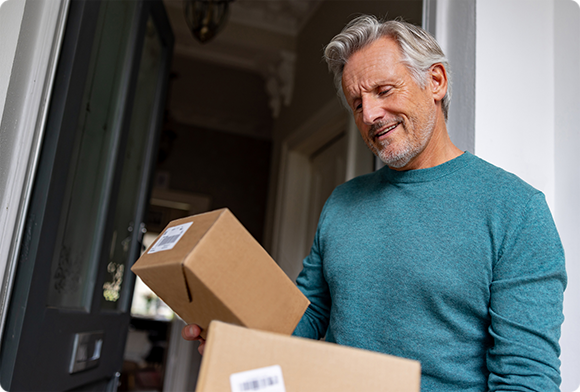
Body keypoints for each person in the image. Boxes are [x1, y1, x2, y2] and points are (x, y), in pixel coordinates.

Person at [183, 15, 567, 391]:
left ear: (435, 81)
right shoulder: (342, 202)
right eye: (356, 102)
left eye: (384, 91)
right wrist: (235, 331)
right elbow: (309, 315)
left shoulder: (517, 210)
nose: (369, 115)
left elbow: (526, 380)